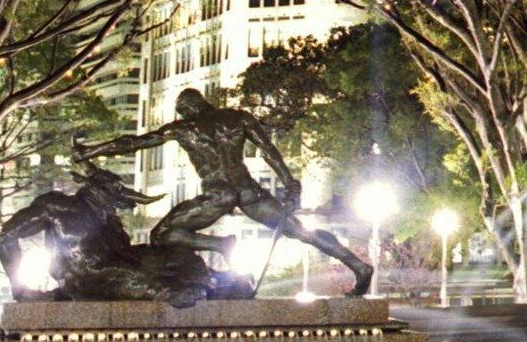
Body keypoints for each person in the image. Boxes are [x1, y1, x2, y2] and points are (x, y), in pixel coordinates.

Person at [75, 87, 374, 295]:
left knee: (161, 235)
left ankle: (221, 246)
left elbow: (134, 142)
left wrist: (92, 150)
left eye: (182, 110)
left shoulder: (185, 128)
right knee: (299, 231)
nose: (182, 115)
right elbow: (269, 151)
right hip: (248, 191)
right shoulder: (238, 117)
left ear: (189, 108)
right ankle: (358, 266)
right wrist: (289, 181)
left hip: (218, 193)